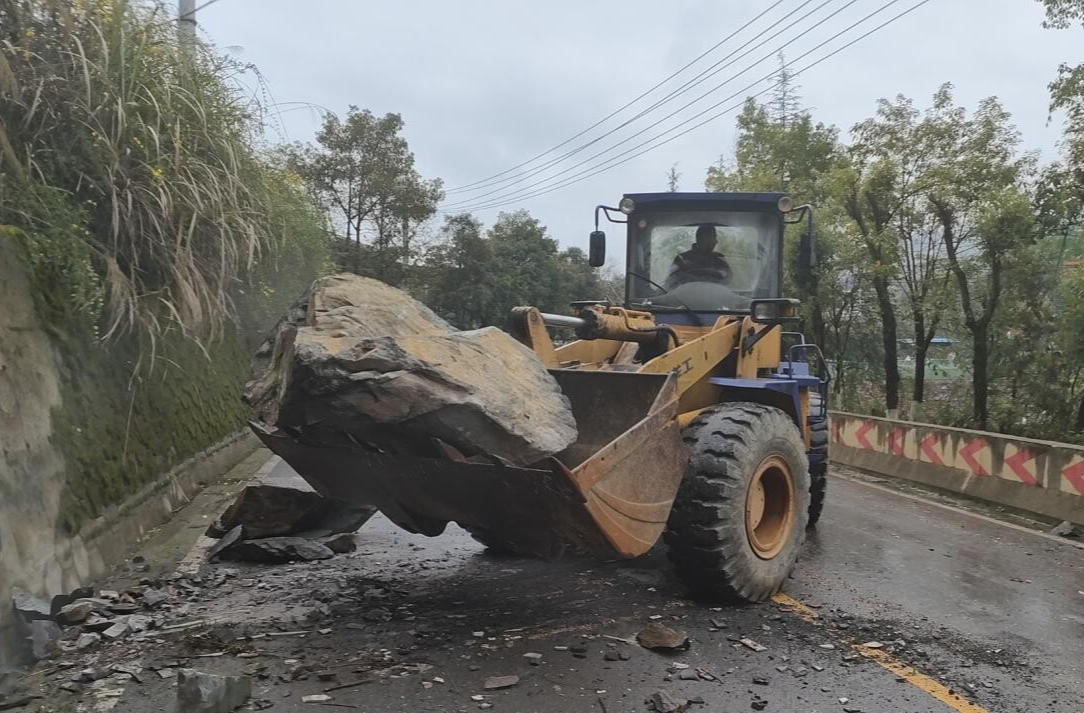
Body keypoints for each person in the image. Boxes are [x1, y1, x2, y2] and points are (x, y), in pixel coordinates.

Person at [665, 223, 732, 288]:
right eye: (714, 237)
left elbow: (727, 279)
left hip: (715, 297)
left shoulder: (719, 258)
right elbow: (670, 284)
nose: (716, 241)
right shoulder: (681, 259)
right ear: (703, 238)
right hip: (685, 298)